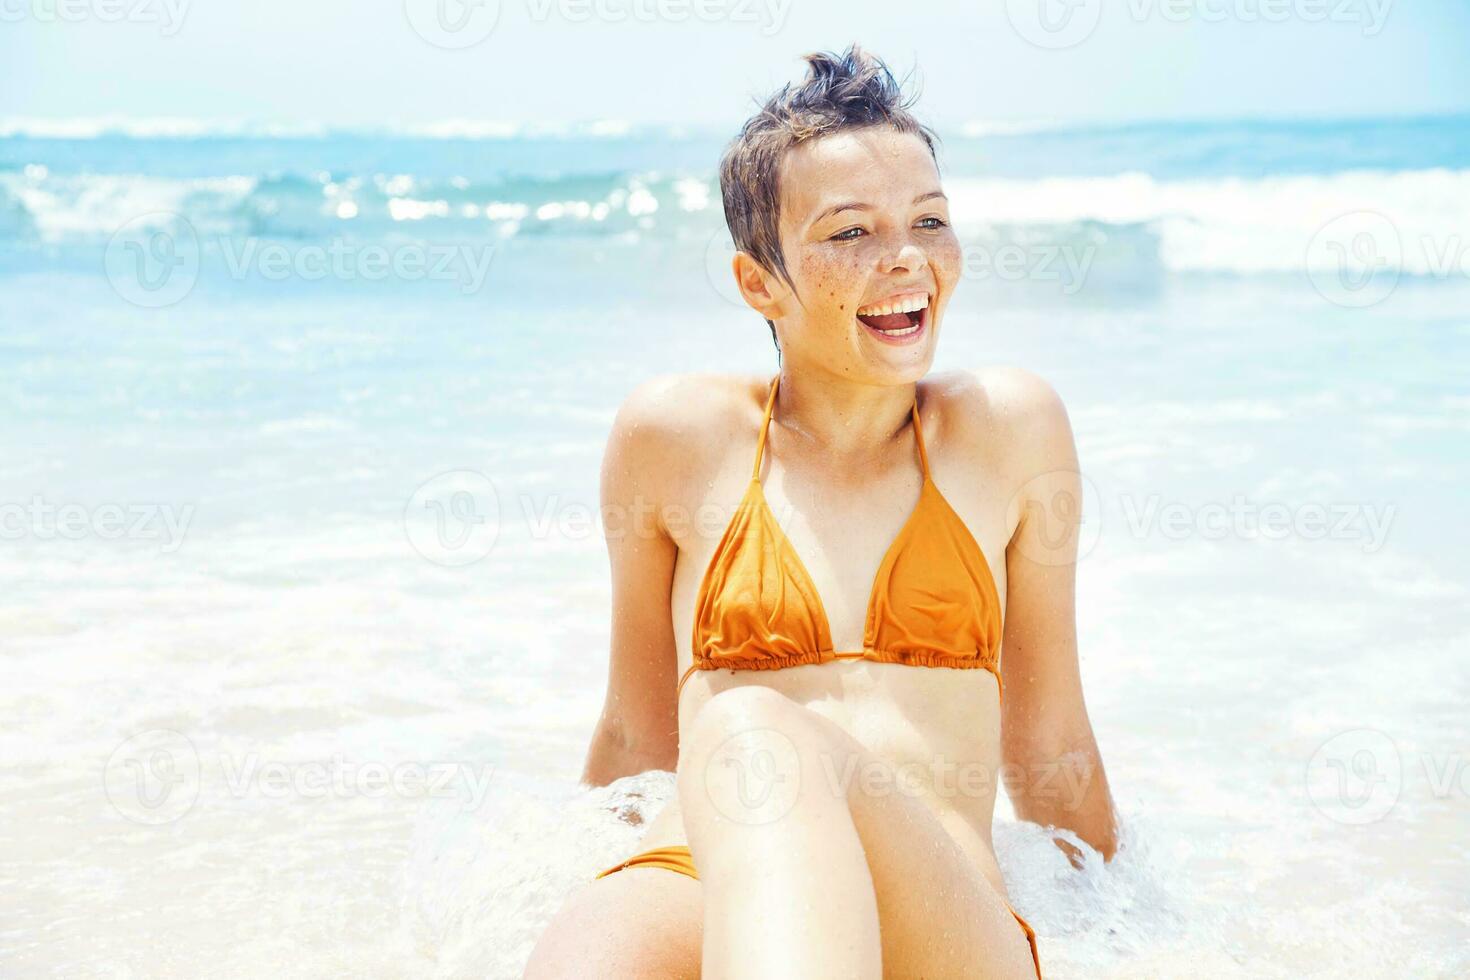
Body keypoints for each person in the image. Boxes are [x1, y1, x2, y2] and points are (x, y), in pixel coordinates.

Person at [525, 44, 1118, 980]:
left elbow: (1054, 743)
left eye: (930, 220)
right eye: (850, 234)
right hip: (693, 875)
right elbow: (637, 735)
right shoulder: (672, 436)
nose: (906, 260)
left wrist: (1127, 933)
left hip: (932, 907)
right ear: (759, 283)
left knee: (745, 729)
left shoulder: (1007, 431)